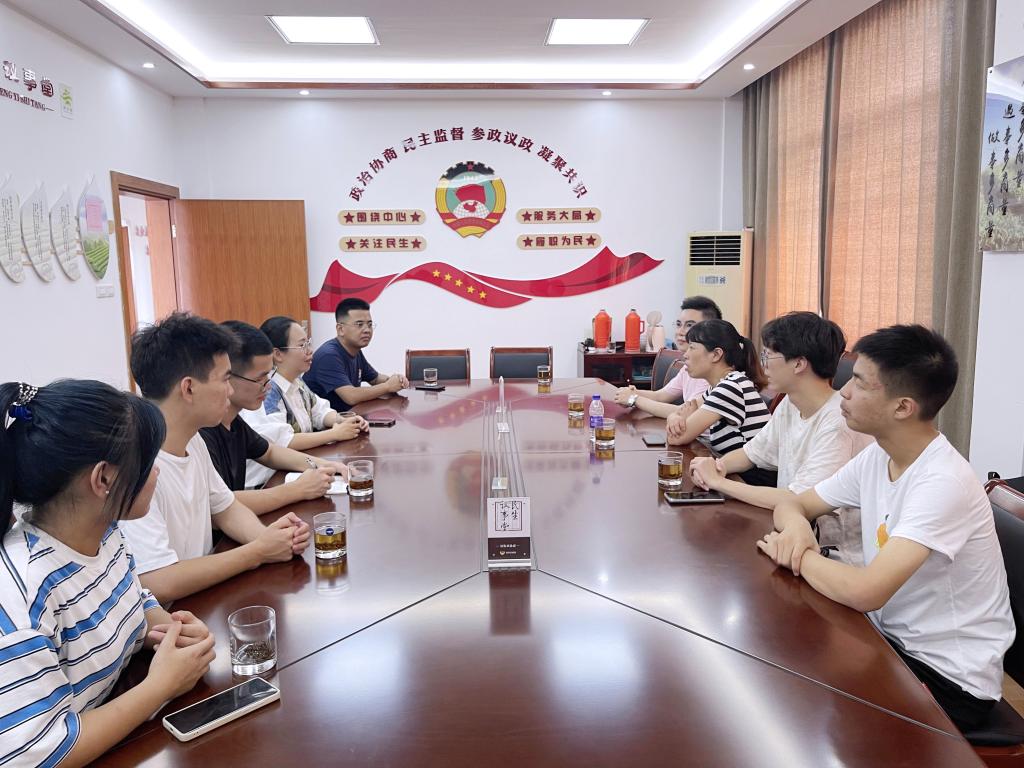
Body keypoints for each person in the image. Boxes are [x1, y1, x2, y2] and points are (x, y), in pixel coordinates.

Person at [758, 324, 1014, 732]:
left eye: (859, 382)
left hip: (947, 677)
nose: (844, 392)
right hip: (889, 638)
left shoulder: (942, 482)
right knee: (781, 663)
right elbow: (794, 502)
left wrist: (798, 554)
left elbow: (866, 592)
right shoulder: (879, 455)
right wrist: (798, 530)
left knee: (795, 701)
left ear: (903, 407)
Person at [0, 380, 214, 767]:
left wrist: (166, 631)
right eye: (147, 463)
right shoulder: (24, 596)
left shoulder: (105, 533)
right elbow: (40, 753)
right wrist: (161, 686)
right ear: (104, 480)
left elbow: (131, 594)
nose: (156, 473)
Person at [121, 312, 310, 604]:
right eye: (224, 380)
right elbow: (158, 580)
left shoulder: (192, 439)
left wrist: (268, 539)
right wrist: (258, 551)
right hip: (174, 619)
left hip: (206, 598)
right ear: (188, 388)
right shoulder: (137, 465)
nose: (230, 390)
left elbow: (226, 508)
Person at [690, 312, 870, 562]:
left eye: (768, 355)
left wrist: (719, 482)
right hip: (791, 535)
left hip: (833, 555)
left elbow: (797, 500)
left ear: (798, 364)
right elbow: (751, 453)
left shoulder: (839, 422)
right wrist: (716, 467)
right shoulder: (790, 403)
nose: (763, 364)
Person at [199, 321, 352, 513]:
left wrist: (327, 465)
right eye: (259, 379)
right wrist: (298, 489)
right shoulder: (203, 432)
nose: (268, 385)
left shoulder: (234, 422)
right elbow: (221, 504)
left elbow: (270, 452)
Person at [665, 320, 772, 484]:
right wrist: (674, 416)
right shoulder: (721, 386)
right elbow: (683, 411)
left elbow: (677, 438)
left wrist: (680, 419)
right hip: (734, 472)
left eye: (692, 347)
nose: (685, 354)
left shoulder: (731, 387)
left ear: (716, 354)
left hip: (753, 480)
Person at [256, 315, 369, 447]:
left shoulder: (297, 381)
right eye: (302, 345)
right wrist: (334, 434)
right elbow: (283, 441)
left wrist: (344, 421)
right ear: (278, 354)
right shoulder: (268, 390)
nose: (310, 351)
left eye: (308, 344)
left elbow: (320, 411)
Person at [614, 296, 721, 417]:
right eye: (678, 324)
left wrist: (634, 399)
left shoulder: (712, 372)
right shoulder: (689, 365)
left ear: (710, 330)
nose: (680, 332)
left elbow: (685, 413)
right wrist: (632, 393)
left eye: (689, 325)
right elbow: (661, 396)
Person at [304, 298, 408, 412]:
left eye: (369, 324)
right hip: (326, 422)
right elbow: (351, 396)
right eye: (359, 324)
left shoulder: (355, 350)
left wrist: (397, 380)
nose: (367, 330)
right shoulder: (328, 355)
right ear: (340, 329)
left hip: (348, 417)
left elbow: (375, 379)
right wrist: (387, 386)